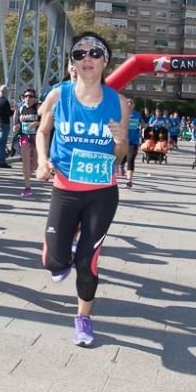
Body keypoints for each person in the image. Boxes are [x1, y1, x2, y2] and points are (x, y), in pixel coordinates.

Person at [36, 32, 129, 347]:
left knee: (86, 263)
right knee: (53, 263)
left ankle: (83, 319)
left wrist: (119, 142)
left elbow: (121, 155)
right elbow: (42, 130)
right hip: (64, 187)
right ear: (72, 63)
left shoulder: (118, 102)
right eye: (79, 54)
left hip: (102, 192)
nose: (86, 58)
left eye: (94, 53)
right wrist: (42, 160)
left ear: (105, 61)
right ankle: (67, 245)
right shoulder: (58, 96)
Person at [15, 88, 40, 197]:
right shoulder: (20, 108)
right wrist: (15, 126)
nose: (28, 98)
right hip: (25, 135)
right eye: (25, 96)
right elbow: (16, 121)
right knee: (25, 161)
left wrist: (36, 123)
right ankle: (27, 187)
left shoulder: (38, 107)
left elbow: (47, 120)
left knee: (35, 164)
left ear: (35, 98)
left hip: (37, 136)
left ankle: (32, 166)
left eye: (30, 96)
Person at [0, 85, 14, 167]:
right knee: (2, 143)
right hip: (4, 123)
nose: (7, 94)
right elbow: (9, 113)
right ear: (5, 92)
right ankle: (1, 161)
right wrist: (13, 110)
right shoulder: (5, 101)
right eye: (7, 92)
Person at [122, 99, 142, 189]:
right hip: (122, 141)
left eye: (131, 103)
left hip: (133, 141)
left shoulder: (137, 114)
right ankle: (122, 165)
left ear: (133, 105)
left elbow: (143, 124)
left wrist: (145, 126)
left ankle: (129, 180)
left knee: (130, 159)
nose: (129, 104)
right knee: (123, 158)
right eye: (127, 103)